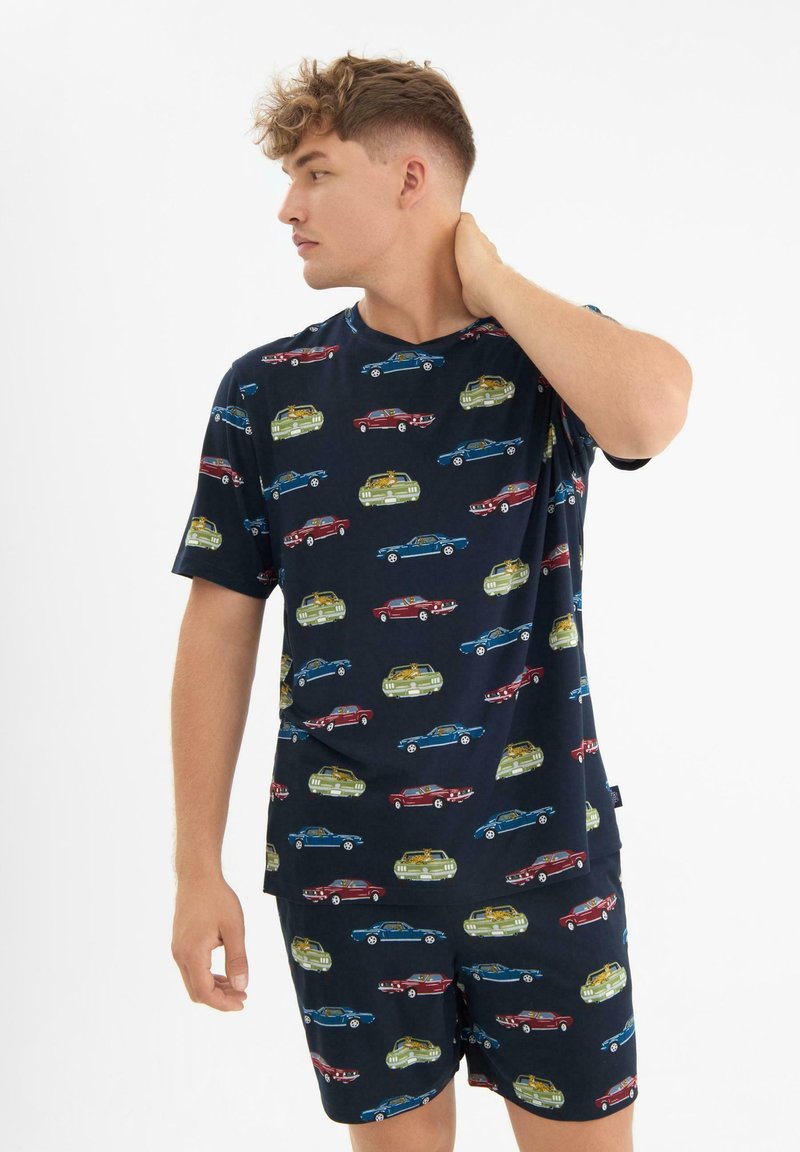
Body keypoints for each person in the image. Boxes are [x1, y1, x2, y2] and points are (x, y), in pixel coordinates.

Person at [169, 52, 692, 1152]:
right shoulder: (267, 390)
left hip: (544, 856)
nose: (287, 206)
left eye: (315, 173)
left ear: (410, 178)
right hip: (345, 864)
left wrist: (491, 281)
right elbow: (218, 626)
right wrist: (194, 866)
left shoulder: (546, 358)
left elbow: (648, 414)